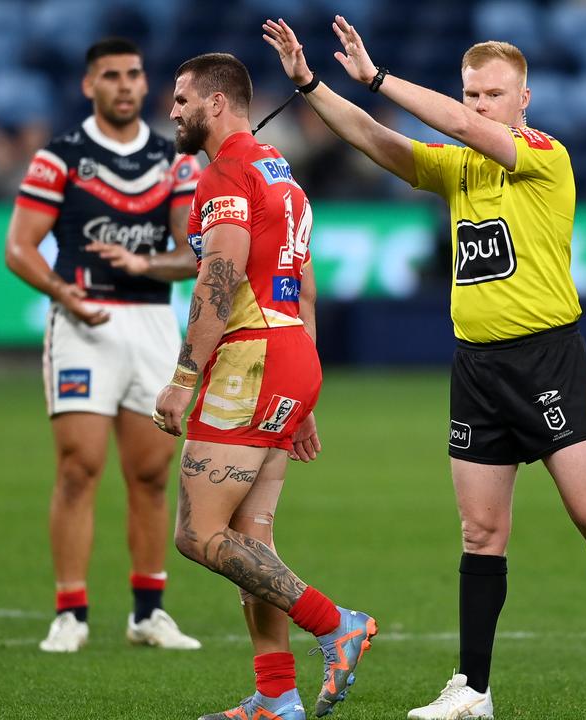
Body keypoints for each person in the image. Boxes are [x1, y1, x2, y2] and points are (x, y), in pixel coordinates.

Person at [261, 17, 586, 719]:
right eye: (472, 92)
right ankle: (473, 689)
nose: (479, 105)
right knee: (480, 533)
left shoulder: (544, 158)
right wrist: (311, 85)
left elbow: (467, 133)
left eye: (493, 94)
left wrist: (377, 78)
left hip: (548, 357)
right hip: (477, 367)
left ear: (524, 100)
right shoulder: (459, 168)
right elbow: (379, 142)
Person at [155, 52, 377, 720]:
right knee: (252, 536)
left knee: (199, 535)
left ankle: (336, 621)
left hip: (248, 360)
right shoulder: (283, 173)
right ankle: (276, 696)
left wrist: (183, 376)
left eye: (182, 99)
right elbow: (302, 284)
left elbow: (217, 279)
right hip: (290, 350)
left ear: (218, 103)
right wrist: (301, 395)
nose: (173, 111)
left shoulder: (226, 174)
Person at [3, 37, 202, 653]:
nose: (123, 84)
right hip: (83, 325)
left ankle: (148, 612)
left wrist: (142, 266)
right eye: (110, 75)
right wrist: (65, 295)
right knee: (78, 468)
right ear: (89, 85)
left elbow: (192, 255)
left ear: (147, 86)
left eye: (134, 74)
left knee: (149, 473)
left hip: (149, 324)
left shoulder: (178, 161)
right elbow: (19, 247)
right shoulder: (59, 158)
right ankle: (71, 611)